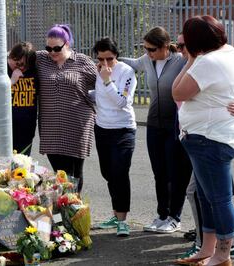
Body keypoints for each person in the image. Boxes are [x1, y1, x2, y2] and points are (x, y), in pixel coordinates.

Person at [173, 15, 234, 266]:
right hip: (221, 136)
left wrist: (190, 60)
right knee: (206, 196)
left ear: (196, 43)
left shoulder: (206, 62)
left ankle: (223, 254)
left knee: (218, 199)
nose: (183, 49)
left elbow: (177, 91)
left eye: (187, 44)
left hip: (210, 139)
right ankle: (207, 248)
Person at [120, 27, 192, 233]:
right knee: (159, 173)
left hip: (174, 125)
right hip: (153, 125)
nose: (147, 52)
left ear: (163, 47)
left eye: (151, 49)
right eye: (145, 48)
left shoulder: (180, 61)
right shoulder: (147, 60)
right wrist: (110, 59)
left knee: (174, 173)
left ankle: (174, 217)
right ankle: (161, 215)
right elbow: (131, 63)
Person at [35, 24, 97, 193]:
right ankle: (63, 209)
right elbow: (15, 56)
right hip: (51, 127)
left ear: (67, 44)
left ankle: (74, 209)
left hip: (77, 125)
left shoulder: (82, 61)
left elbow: (103, 82)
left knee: (75, 173)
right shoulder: (41, 59)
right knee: (59, 174)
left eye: (57, 48)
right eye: (48, 48)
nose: (52, 52)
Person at [90, 37, 137, 237]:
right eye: (101, 59)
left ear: (116, 55)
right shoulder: (96, 70)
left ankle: (122, 220)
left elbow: (122, 102)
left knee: (120, 172)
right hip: (102, 128)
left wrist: (108, 80)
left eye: (109, 58)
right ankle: (115, 212)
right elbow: (97, 95)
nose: (105, 63)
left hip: (123, 129)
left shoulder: (126, 72)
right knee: (108, 173)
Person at [7, 42, 39, 156]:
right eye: (19, 64)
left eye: (25, 65)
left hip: (26, 131)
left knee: (21, 169)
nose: (22, 69)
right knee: (3, 169)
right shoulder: (2, 69)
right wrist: (11, 82)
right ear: (11, 56)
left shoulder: (33, 70)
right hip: (5, 131)